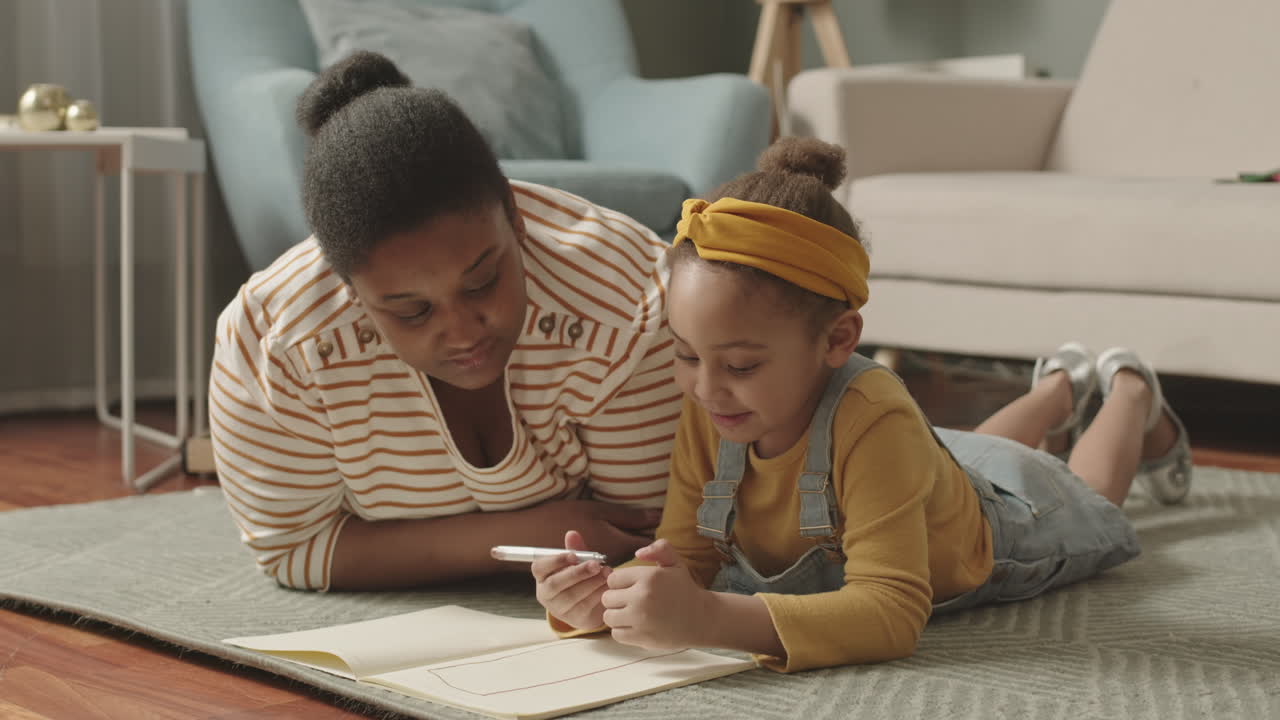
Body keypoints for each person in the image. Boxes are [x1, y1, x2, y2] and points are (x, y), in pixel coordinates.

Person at [531, 137, 1193, 672]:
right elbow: (687, 556)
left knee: (1083, 491)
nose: (704, 387)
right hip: (933, 472)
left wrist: (706, 620)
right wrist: (611, 598)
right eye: (684, 355)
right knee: (974, 452)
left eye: (739, 364)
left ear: (838, 339)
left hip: (998, 530)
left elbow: (892, 612)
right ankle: (1059, 387)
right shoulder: (717, 405)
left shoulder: (875, 414)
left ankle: (1130, 388)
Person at [208, 51, 682, 591]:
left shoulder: (627, 302)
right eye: (412, 311)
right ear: (349, 290)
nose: (462, 332)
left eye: (482, 282)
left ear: (515, 216)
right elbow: (294, 550)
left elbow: (640, 535)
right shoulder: (275, 344)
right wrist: (523, 535)